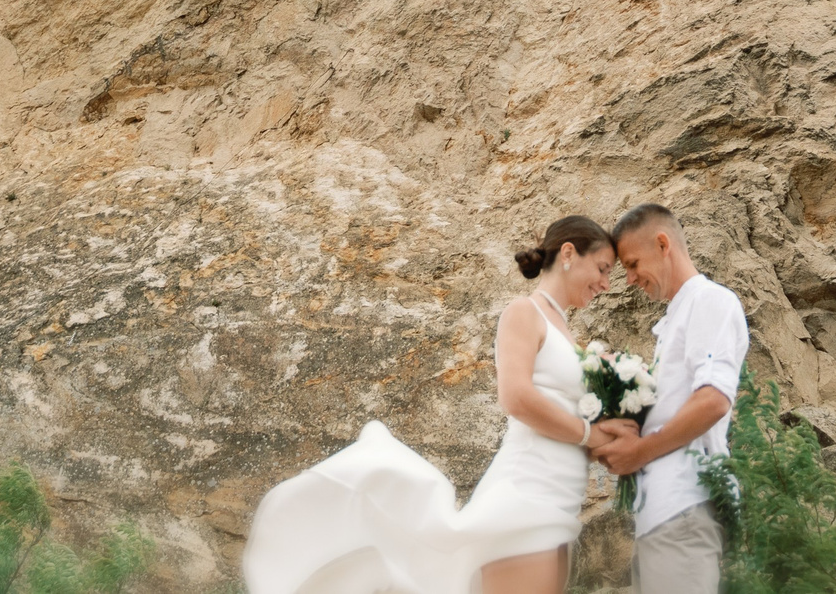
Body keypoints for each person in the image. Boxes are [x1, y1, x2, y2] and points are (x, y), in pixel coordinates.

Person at [241, 215, 618, 594]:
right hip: (528, 492)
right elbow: (516, 398)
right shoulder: (524, 312)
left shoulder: (567, 333)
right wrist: (590, 434)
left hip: (559, 498)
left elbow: (564, 420)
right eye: (602, 268)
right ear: (568, 253)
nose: (605, 283)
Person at [589, 204, 749, 594]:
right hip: (661, 513)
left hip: (684, 506)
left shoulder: (709, 301)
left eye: (631, 264)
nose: (629, 279)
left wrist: (640, 451)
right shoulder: (678, 314)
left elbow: (713, 399)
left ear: (663, 244)